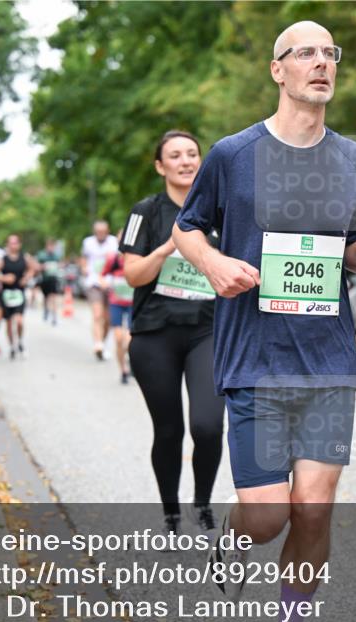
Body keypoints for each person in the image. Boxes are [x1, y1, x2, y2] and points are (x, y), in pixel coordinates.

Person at [173, 22, 356, 622]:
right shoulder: (233, 154)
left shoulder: (351, 158)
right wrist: (213, 265)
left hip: (329, 357)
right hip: (254, 358)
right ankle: (232, 546)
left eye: (331, 54)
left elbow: (353, 240)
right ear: (278, 70)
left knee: (315, 510)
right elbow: (190, 229)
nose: (322, 63)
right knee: (267, 517)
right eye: (307, 53)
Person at [120, 130, 224, 538]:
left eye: (192, 154)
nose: (185, 161)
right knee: (169, 430)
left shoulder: (221, 211)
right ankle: (170, 514)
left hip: (207, 331)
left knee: (208, 426)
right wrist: (168, 247)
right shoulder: (144, 212)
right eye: (175, 156)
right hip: (155, 334)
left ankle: (202, 505)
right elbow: (132, 274)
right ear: (160, 166)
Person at [81, 221, 121, 360]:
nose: (100, 234)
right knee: (97, 314)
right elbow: (84, 259)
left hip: (110, 284)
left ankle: (102, 343)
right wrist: (84, 268)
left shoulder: (113, 242)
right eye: (98, 231)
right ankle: (97, 343)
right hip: (94, 283)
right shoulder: (88, 242)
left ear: (107, 230)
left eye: (103, 231)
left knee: (108, 319)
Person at [0, 234, 36, 360]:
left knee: (19, 321)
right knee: (9, 323)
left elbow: (33, 269)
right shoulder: (3, 260)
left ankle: (20, 342)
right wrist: (3, 278)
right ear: (7, 245)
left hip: (19, 294)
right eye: (11, 243)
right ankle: (12, 345)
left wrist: (26, 278)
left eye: (15, 243)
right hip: (6, 295)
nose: (13, 245)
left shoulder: (25, 258)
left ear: (19, 244)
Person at [103, 235, 133, 384]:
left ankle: (130, 362)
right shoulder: (113, 259)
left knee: (128, 340)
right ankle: (123, 370)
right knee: (118, 338)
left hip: (133, 303)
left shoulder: (136, 257)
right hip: (116, 303)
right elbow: (102, 276)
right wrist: (105, 284)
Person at [37, 238, 63, 326]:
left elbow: (61, 264)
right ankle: (46, 309)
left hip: (53, 279)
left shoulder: (56, 256)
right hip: (45, 280)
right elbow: (37, 266)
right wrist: (43, 267)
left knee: (53, 297)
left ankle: (54, 316)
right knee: (46, 297)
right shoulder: (42, 255)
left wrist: (58, 266)